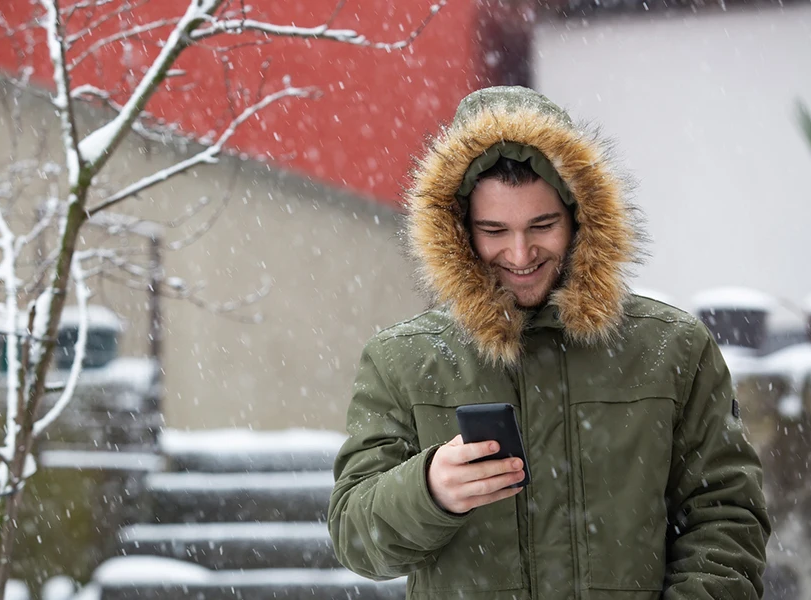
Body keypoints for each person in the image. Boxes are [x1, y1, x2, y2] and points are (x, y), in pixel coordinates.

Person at [327, 86, 770, 599]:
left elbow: (726, 519)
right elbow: (355, 536)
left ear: (581, 218)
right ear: (459, 232)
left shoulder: (671, 348)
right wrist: (428, 491)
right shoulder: (402, 360)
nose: (520, 253)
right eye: (494, 229)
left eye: (542, 225)